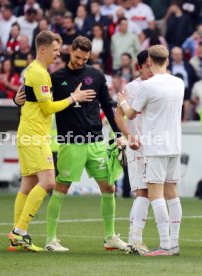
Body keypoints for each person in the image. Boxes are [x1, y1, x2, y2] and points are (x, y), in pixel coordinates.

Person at [14, 36, 127, 253]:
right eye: (77, 57)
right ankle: (51, 239)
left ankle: (110, 237)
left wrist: (119, 133)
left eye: (85, 58)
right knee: (60, 188)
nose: (81, 62)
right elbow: (33, 98)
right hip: (70, 142)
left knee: (109, 187)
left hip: (96, 142)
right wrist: (15, 100)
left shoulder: (96, 75)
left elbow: (107, 104)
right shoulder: (54, 77)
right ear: (70, 52)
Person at [8, 30, 96, 252]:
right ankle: (19, 231)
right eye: (56, 50)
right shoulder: (40, 73)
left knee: (28, 184)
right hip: (34, 134)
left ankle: (17, 234)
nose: (59, 54)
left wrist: (16, 99)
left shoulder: (34, 70)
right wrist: (73, 98)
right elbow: (47, 107)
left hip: (30, 132)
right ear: (44, 49)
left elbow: (26, 97)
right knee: (48, 182)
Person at [118, 45, 184, 256]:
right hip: (174, 144)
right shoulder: (179, 82)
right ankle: (173, 243)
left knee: (155, 194)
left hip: (155, 146)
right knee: (172, 194)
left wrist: (121, 101)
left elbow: (130, 113)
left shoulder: (147, 86)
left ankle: (165, 245)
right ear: (167, 60)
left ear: (151, 62)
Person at [115, 50, 153, 255]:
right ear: (139, 67)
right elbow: (118, 115)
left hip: (157, 146)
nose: (151, 69)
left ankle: (136, 239)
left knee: (153, 192)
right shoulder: (132, 87)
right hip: (138, 145)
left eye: (153, 64)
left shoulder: (159, 85)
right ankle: (135, 239)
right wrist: (130, 137)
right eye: (147, 65)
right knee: (143, 191)